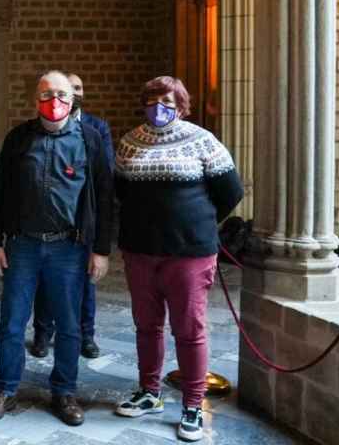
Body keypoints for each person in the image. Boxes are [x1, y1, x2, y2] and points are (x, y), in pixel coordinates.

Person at [0, 71, 113, 428]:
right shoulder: (19, 138)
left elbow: (104, 197)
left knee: (69, 326)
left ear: (73, 99)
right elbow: (1, 194)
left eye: (61, 94)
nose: (54, 101)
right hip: (22, 245)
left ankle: (64, 392)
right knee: (11, 323)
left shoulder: (90, 139)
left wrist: (100, 250)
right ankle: (4, 389)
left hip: (68, 248)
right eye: (46, 94)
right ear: (35, 98)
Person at [112, 76, 242, 442]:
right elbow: (122, 190)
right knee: (147, 325)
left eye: (167, 101)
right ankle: (149, 392)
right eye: (152, 100)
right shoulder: (130, 142)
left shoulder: (202, 140)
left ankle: (192, 404)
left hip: (188, 254)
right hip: (141, 250)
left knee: (189, 329)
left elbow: (231, 192)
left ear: (181, 105)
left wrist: (195, 222)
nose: (159, 107)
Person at [30, 73, 114, 360]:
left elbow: (104, 176)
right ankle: (43, 332)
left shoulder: (95, 129)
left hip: (80, 225)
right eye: (70, 88)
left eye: (78, 88)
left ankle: (86, 334)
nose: (72, 94)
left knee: (84, 285)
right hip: (43, 226)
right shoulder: (33, 132)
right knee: (44, 284)